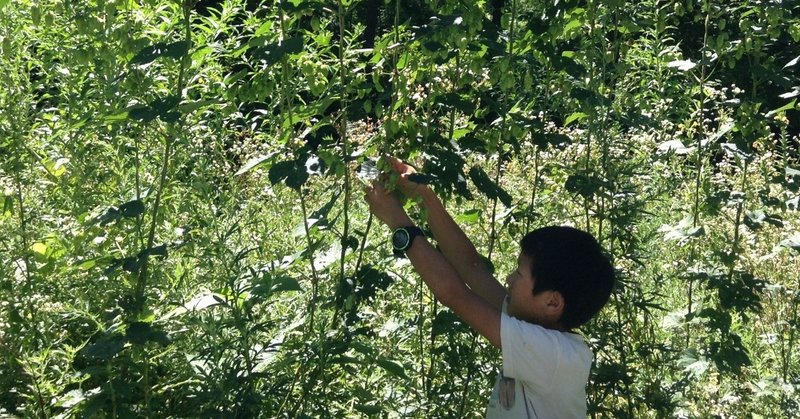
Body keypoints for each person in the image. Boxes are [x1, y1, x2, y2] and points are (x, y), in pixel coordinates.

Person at [363, 156, 615, 418]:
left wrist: (397, 221)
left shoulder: (556, 357)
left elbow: (454, 295)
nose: (509, 279)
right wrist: (423, 194)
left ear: (552, 302)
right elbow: (472, 268)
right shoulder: (532, 323)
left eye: (519, 273)